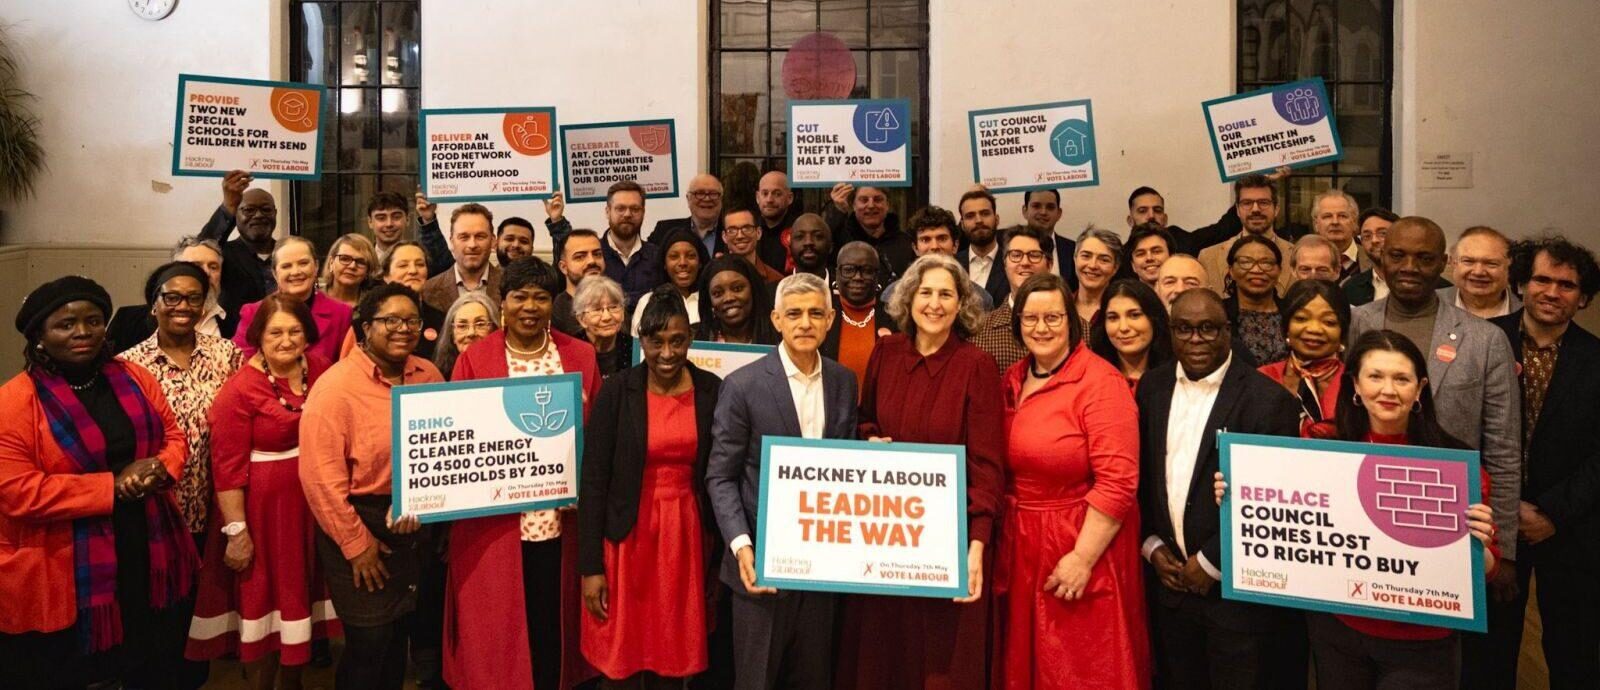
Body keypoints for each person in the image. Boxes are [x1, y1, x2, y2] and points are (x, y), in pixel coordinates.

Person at [1217, 329, 1500, 689]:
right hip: (1339, 633)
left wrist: (1479, 547)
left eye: (1401, 378)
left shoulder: (1459, 470)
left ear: (1420, 388)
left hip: (1422, 642)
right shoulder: (1323, 452)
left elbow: (1487, 570)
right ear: (1354, 385)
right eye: (1375, 376)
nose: (1388, 389)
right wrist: (1236, 493)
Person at [0, 276, 198, 689]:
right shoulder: (15, 401)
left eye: (93, 321)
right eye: (66, 324)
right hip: (66, 558)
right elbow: (18, 492)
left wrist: (161, 468)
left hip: (147, 541)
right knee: (82, 671)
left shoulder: (133, 377)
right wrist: (114, 487)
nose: (83, 332)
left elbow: (174, 437)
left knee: (152, 655)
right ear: (39, 335)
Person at [835, 254, 1005, 690]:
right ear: (909, 299)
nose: (934, 303)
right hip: (884, 540)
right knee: (880, 658)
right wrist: (869, 440)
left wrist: (976, 546)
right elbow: (865, 418)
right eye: (926, 292)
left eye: (946, 294)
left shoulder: (977, 366)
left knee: (938, 663)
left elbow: (986, 465)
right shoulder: (885, 353)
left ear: (961, 304)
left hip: (945, 543)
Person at [444, 257, 603, 690]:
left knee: (554, 628)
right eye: (519, 297)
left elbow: (598, 440)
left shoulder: (581, 355)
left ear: (554, 303)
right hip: (495, 530)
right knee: (501, 636)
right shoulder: (476, 360)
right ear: (502, 303)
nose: (530, 306)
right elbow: (459, 444)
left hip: (562, 524)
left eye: (540, 297)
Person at [1135, 288, 1307, 690]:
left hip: (1236, 598)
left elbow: (1276, 503)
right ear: (1170, 333)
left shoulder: (1269, 401)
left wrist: (1212, 562)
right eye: (1184, 329)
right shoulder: (1152, 387)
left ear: (1228, 331)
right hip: (1170, 587)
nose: (1196, 340)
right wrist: (1152, 546)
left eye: (1208, 329)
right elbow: (1142, 478)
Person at [995, 272, 1149, 690]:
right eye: (1030, 319)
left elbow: (1118, 482)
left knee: (1077, 669)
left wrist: (1082, 558)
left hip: (1078, 542)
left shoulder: (1101, 383)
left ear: (1072, 322)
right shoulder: (1010, 380)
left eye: (1053, 318)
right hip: (1021, 543)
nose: (1041, 328)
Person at [707, 272, 860, 690]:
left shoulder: (844, 382)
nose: (805, 323)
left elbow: (846, 466)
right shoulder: (743, 385)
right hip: (761, 566)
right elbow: (721, 476)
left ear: (830, 320)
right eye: (794, 314)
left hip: (823, 568)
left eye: (815, 313)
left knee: (813, 679)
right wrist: (742, 546)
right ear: (776, 319)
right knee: (757, 681)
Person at [1348, 216, 1521, 575]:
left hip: (1453, 519)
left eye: (1424, 258)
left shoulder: (1485, 340)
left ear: (1443, 263)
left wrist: (1503, 547)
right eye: (1397, 255)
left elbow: (1503, 448)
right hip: (1363, 513)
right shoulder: (1356, 323)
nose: (1409, 267)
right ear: (1381, 257)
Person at [185, 295, 338, 689]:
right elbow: (227, 469)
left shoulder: (321, 369)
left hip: (313, 506)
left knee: (301, 598)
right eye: (276, 333)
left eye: (294, 331)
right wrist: (237, 533)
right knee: (268, 603)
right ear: (258, 337)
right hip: (265, 515)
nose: (286, 340)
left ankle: (294, 683)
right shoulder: (239, 391)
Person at [580, 286, 722, 687]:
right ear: (641, 341)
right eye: (656, 342)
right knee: (623, 657)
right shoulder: (618, 391)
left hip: (687, 537)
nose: (667, 353)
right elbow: (592, 481)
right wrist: (590, 567)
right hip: (627, 537)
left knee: (671, 656)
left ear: (691, 339)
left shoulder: (711, 391)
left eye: (677, 341)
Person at [299, 283, 439, 690]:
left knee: (398, 635)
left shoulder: (428, 375)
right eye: (390, 320)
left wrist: (422, 504)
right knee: (368, 642)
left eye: (411, 320)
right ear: (364, 327)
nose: (403, 328)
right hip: (357, 522)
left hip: (413, 521)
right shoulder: (335, 389)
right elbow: (321, 481)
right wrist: (357, 545)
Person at [1486, 236, 1600, 690]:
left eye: (1567, 285)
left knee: (1575, 653)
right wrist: (1505, 507)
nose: (1552, 292)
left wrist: (1552, 511)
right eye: (1542, 279)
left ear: (1584, 297)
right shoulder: (1484, 342)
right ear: (1520, 283)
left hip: (1571, 529)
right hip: (1493, 522)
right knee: (1491, 652)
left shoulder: (1596, 360)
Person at [121, 262, 244, 540]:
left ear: (203, 306)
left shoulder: (227, 354)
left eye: (194, 298)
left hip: (219, 502)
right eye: (171, 297)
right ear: (154, 304)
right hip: (160, 503)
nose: (183, 306)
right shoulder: (129, 365)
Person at [234, 236, 353, 364]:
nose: (295, 272)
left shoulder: (341, 313)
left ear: (316, 266)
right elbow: (241, 366)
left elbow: (346, 368)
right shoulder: (253, 313)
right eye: (286, 266)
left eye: (303, 263)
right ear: (274, 273)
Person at [1257, 279, 1350, 438]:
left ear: (1342, 332)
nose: (1314, 329)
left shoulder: (1357, 384)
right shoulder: (1261, 378)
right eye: (1301, 319)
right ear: (1286, 327)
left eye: (1329, 322)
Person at [108, 236, 235, 350]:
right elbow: (111, 372)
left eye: (213, 267)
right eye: (196, 265)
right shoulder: (128, 321)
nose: (206, 273)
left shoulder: (235, 322)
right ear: (174, 271)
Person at [1197, 175, 1295, 295]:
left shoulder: (1297, 256)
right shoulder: (1208, 258)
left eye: (1263, 202)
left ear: (1276, 209)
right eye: (1247, 203)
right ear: (1237, 210)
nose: (1255, 209)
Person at [199, 171, 277, 322]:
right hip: (235, 339)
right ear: (236, 214)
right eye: (249, 210)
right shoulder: (222, 254)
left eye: (266, 209)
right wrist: (228, 206)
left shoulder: (286, 254)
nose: (259, 215)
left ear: (275, 213)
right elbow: (200, 248)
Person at [974, 225, 1055, 371]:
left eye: (1034, 255)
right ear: (1005, 263)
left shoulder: (1078, 329)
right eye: (1016, 255)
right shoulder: (979, 331)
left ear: (1049, 264)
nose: (1024, 262)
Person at [883, 206, 994, 309]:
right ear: (915, 248)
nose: (934, 246)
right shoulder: (893, 295)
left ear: (955, 245)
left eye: (942, 238)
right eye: (925, 240)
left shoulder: (980, 299)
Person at [822, 242, 895, 391]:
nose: (857, 277)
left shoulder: (895, 319)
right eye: (849, 270)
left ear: (877, 276)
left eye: (867, 271)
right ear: (837, 273)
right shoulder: (821, 316)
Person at [420, 203, 504, 314]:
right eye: (464, 237)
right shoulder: (428, 291)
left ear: (493, 241)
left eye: (480, 236)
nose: (472, 245)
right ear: (452, 241)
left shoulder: (509, 285)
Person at [1089, 278, 1173, 388]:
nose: (1123, 327)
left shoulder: (1177, 375)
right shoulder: (1091, 378)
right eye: (1113, 317)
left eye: (1134, 315)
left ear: (1154, 318)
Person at [825, 183, 914, 281]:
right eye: (864, 200)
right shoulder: (840, 240)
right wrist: (839, 211)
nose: (871, 205)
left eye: (878, 199)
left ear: (887, 204)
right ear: (854, 205)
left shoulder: (905, 243)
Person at [1223, 235, 1289, 365]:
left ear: (1279, 271)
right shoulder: (1218, 313)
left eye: (1266, 263)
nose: (1256, 270)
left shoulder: (1292, 313)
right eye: (1246, 262)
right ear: (1231, 270)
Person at [632, 228, 707, 337]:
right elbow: (639, 349)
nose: (683, 263)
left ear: (700, 262)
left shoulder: (710, 301)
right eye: (674, 256)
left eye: (690, 256)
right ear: (664, 264)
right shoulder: (647, 302)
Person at [600, 181, 666, 306]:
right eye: (620, 208)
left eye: (635, 209)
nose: (627, 214)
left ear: (643, 212)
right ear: (608, 212)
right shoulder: (593, 254)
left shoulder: (657, 256)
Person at [697, 255, 780, 345]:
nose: (729, 298)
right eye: (718, 293)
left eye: (737, 289)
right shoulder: (695, 341)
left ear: (753, 290)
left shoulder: (781, 337)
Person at [1443, 226, 1521, 319]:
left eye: (1491, 263)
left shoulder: (1527, 311)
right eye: (1468, 261)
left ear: (1509, 266)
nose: (1478, 272)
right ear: (1453, 263)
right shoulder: (1428, 304)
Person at [647, 173, 728, 260]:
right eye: (699, 193)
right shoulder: (664, 230)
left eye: (713, 194)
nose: (707, 199)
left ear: (721, 199)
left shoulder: (732, 232)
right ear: (688, 199)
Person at [432, 292, 500, 383]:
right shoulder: (437, 376)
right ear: (452, 334)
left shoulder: (507, 369)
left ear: (494, 329)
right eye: (462, 326)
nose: (471, 333)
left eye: (480, 324)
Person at [957, 188, 1009, 303]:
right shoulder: (953, 265)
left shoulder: (1013, 262)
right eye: (970, 216)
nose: (979, 220)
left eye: (985, 213)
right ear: (962, 225)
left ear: (997, 219)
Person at [575, 276, 633, 378]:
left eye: (613, 307)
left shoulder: (635, 348)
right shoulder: (571, 351)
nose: (607, 317)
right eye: (597, 310)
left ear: (623, 312)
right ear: (581, 319)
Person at [1309, 189, 1370, 283]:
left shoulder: (1372, 258)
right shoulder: (1304, 260)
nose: (1335, 222)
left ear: (1354, 222)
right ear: (1316, 224)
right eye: (1327, 216)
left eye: (1342, 216)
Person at [557, 228, 608, 338]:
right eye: (580, 257)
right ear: (563, 267)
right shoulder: (556, 313)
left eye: (597, 254)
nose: (592, 261)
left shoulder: (616, 306)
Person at [1345, 207, 1399, 307]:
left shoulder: (1419, 282)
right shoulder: (1352, 288)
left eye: (1382, 233)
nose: (1374, 240)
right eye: (1367, 236)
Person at [1072, 227, 1123, 333]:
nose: (1093, 265)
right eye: (1086, 256)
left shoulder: (1124, 309)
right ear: (1075, 259)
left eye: (1104, 259)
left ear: (1115, 268)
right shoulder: (1060, 306)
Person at [723, 206, 786, 285]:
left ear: (759, 233)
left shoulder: (776, 281)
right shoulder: (714, 277)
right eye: (732, 230)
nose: (740, 236)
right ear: (724, 236)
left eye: (747, 228)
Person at [755, 171, 803, 274]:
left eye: (777, 194)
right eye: (765, 193)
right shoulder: (749, 230)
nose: (769, 199)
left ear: (790, 198)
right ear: (757, 198)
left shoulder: (800, 230)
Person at [321, 233, 379, 308]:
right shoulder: (311, 301)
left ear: (368, 271)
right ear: (331, 263)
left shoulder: (376, 305)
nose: (352, 266)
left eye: (360, 262)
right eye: (345, 259)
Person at [364, 191, 420, 266]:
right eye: (381, 218)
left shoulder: (419, 258)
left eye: (396, 217)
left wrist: (428, 220)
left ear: (407, 220)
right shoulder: (362, 261)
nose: (389, 224)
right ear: (370, 222)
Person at [1127, 221, 1175, 286]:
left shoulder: (1187, 295)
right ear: (1133, 265)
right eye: (1141, 254)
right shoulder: (1125, 296)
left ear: (1172, 257)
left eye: (1156, 251)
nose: (1149, 258)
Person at [789, 212, 834, 281]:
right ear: (790, 247)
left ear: (831, 246)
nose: (808, 242)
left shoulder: (844, 290)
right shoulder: (776, 290)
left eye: (818, 236)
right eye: (800, 236)